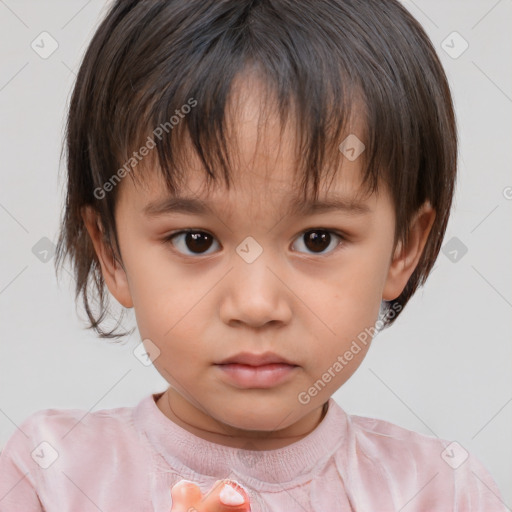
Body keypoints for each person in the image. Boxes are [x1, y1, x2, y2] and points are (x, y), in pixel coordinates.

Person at [0, 0, 507, 510]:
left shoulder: (443, 490)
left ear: (403, 249)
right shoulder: (49, 476)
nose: (257, 304)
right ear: (111, 251)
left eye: (317, 239)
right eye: (196, 240)